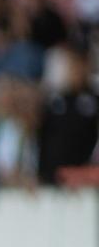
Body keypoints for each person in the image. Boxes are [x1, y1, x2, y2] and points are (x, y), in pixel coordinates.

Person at [37, 41, 99, 184]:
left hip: (82, 178)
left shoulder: (94, 101)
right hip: (52, 176)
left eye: (79, 65)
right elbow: (43, 137)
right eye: (72, 65)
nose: (75, 71)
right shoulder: (55, 101)